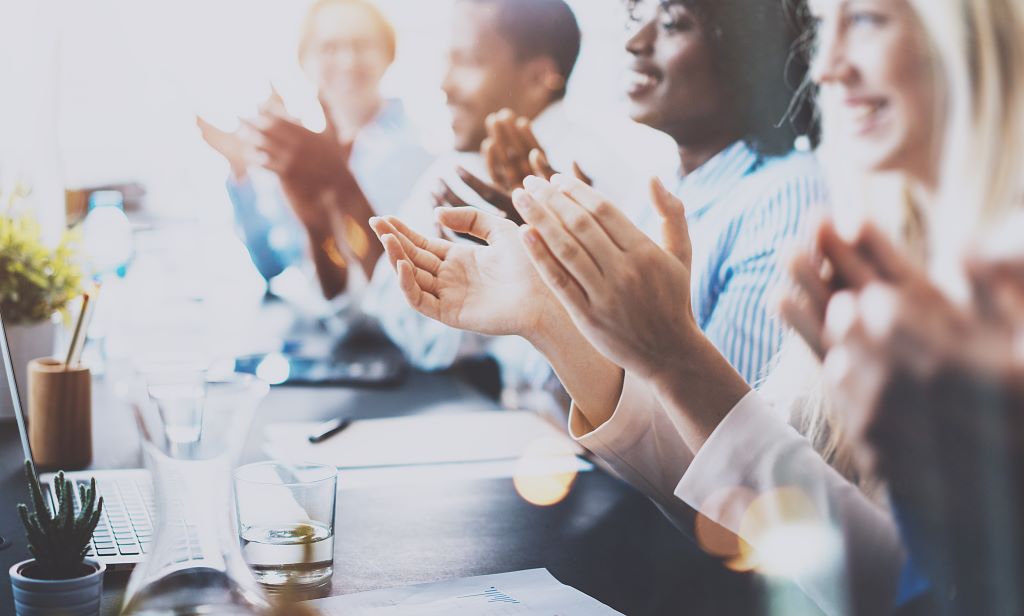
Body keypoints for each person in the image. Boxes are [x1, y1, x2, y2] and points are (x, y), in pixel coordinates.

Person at [371, 0, 1024, 613]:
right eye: (826, 25)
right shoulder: (885, 233)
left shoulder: (800, 206)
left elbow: (887, 579)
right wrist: (551, 318)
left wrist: (673, 355)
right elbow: (754, 504)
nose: (827, 66)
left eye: (872, 20)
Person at [441, 0, 826, 387]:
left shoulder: (787, 196)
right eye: (636, 18)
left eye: (673, 23)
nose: (635, 41)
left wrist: (575, 275)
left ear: (751, 52)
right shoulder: (663, 186)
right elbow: (560, 386)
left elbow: (724, 421)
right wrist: (550, 261)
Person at [361, 0, 656, 410]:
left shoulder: (585, 177)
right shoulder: (460, 163)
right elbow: (385, 305)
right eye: (448, 60)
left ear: (538, 78)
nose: (445, 84)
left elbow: (433, 336)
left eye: (468, 61)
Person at [198, 0, 432, 305]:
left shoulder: (414, 153)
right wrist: (242, 169)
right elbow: (272, 265)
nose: (348, 61)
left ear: (389, 54)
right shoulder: (302, 151)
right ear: (304, 61)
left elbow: (388, 281)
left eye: (362, 45)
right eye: (329, 48)